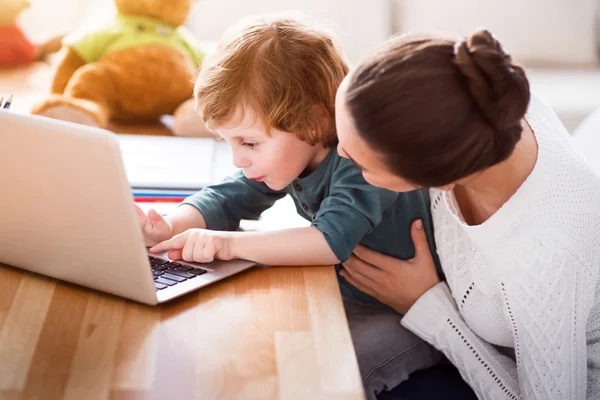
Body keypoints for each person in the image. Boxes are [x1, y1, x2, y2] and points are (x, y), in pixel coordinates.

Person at [136, 15, 443, 399]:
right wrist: (169, 226)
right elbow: (226, 197)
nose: (237, 160)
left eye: (248, 144)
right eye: (228, 143)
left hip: (405, 313)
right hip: (345, 292)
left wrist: (227, 244)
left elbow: (329, 242)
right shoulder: (295, 153)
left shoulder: (363, 161)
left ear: (312, 124)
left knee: (328, 378)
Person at [334, 28, 600, 399]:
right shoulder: (482, 106)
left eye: (361, 163)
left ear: (439, 180)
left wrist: (428, 306)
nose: (340, 156)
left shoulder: (544, 253)